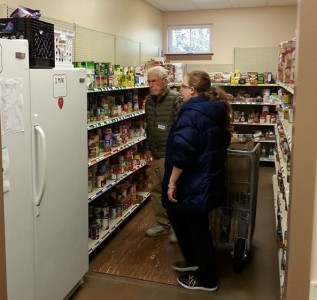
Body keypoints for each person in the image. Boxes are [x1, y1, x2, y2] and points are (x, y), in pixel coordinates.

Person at [161, 71, 232, 291]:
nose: (179, 90)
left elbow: (183, 151)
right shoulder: (214, 109)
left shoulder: (191, 113)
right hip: (206, 177)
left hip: (193, 180)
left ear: (192, 90)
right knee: (184, 219)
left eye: (182, 86)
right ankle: (193, 260)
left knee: (197, 228)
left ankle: (207, 278)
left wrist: (172, 182)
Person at [143, 65, 182, 243]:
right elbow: (148, 127)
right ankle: (162, 224)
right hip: (156, 153)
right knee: (156, 190)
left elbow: (181, 128)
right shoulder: (149, 101)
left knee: (173, 191)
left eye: (154, 81)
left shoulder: (176, 99)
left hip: (171, 154)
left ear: (165, 82)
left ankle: (177, 227)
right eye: (149, 81)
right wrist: (147, 148)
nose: (150, 85)